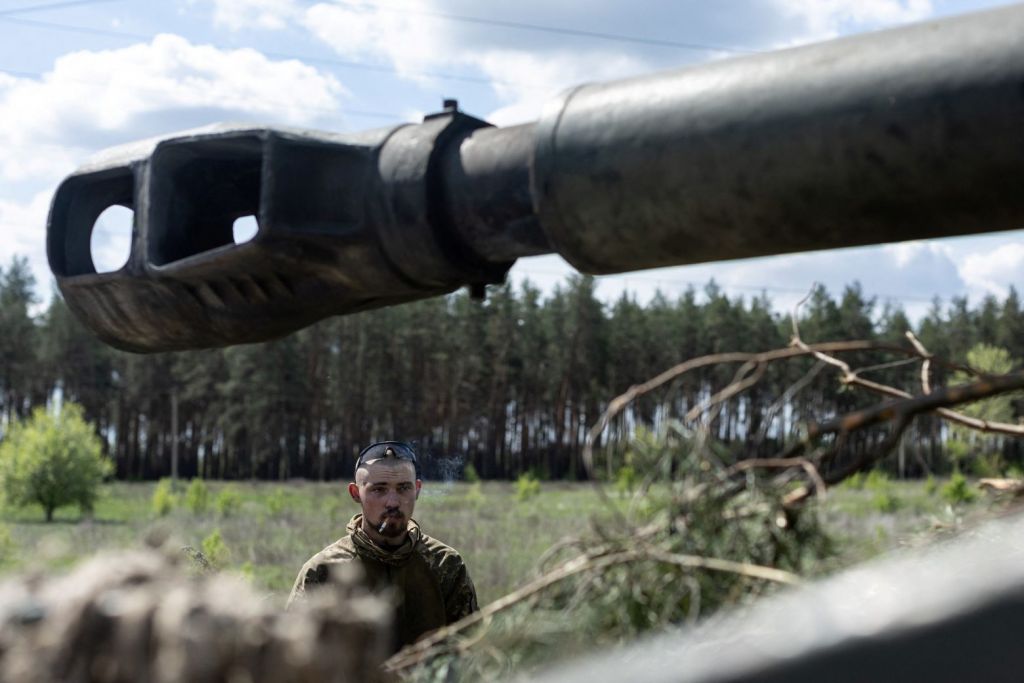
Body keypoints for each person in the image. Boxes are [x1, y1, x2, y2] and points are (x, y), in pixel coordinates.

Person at [287, 441, 479, 651]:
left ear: (417, 490)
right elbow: (293, 659)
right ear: (355, 493)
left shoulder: (445, 565)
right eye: (379, 489)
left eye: (403, 488)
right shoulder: (324, 570)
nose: (393, 502)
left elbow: (469, 651)